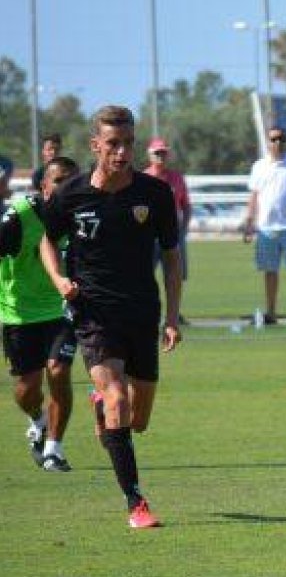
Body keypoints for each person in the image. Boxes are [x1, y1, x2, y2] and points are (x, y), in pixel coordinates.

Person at [39, 105, 182, 528]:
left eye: (128, 144)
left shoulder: (153, 195)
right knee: (119, 400)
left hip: (143, 312)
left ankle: (102, 407)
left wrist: (172, 317)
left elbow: (172, 259)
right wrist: (59, 279)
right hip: (95, 313)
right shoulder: (73, 194)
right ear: (95, 145)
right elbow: (47, 241)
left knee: (138, 420)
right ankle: (135, 503)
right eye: (113, 144)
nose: (122, 153)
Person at [0, 155, 79, 472]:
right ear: (43, 185)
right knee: (26, 389)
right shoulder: (19, 216)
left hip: (61, 311)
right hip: (18, 314)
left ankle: (54, 449)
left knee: (59, 373)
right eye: (59, 180)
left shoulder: (81, 216)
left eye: (72, 181)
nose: (66, 187)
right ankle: (38, 420)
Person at [243, 126, 286, 324]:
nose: (277, 143)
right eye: (273, 139)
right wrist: (249, 222)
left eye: (281, 139)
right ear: (267, 142)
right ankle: (271, 312)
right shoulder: (259, 166)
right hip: (266, 227)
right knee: (270, 271)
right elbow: (254, 196)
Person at [143, 137, 192, 322]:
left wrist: (184, 229)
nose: (160, 156)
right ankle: (147, 311)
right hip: (149, 234)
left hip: (173, 232)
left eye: (163, 152)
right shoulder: (143, 178)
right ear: (150, 155)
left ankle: (174, 314)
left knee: (175, 274)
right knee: (145, 274)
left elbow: (185, 205)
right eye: (157, 153)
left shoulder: (177, 178)